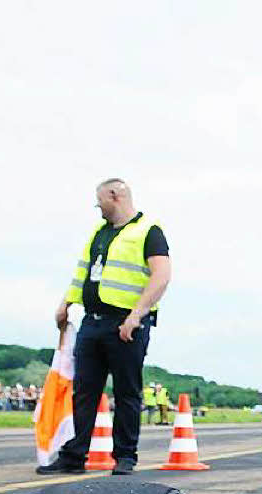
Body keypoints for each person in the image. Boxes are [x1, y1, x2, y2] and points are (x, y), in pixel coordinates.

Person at [37, 178, 172, 476]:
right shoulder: (98, 234)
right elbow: (82, 273)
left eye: (100, 201)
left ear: (115, 195)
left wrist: (136, 315)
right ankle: (74, 456)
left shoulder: (148, 230)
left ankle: (124, 456)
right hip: (92, 322)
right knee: (84, 391)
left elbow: (161, 275)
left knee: (127, 392)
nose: (97, 207)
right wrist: (66, 303)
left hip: (125, 324)